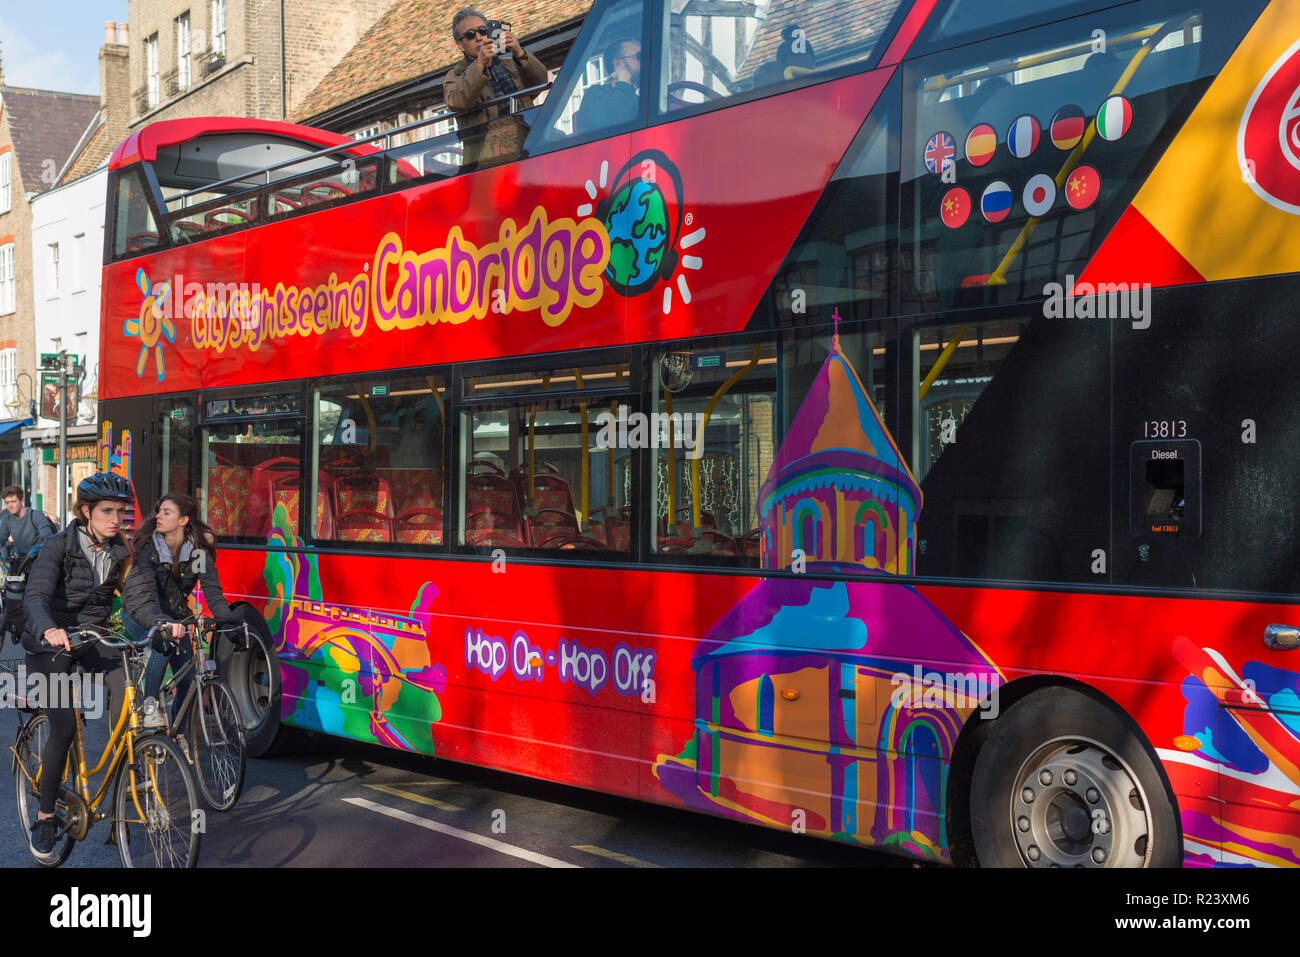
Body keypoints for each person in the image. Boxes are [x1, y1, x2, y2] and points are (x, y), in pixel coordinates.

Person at [22, 473, 185, 854]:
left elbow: (141, 600)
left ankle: (126, 770)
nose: (116, 519)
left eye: (121, 512)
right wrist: (48, 629)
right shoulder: (57, 547)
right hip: (50, 644)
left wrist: (162, 624)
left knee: (125, 690)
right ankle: (46, 816)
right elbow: (36, 597)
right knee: (63, 726)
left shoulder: (122, 554)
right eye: (107, 511)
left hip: (93, 637)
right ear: (85, 512)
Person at [122, 492, 237, 731]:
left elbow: (212, 591)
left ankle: (177, 734)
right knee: (162, 646)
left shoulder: (197, 552)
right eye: (158, 511)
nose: (158, 517)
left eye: (166, 512)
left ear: (183, 520)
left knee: (187, 680)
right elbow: (146, 596)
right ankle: (149, 707)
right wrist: (161, 623)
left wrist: (227, 620)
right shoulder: (147, 547)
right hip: (140, 612)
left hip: (177, 617)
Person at [443, 8, 549, 168]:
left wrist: (519, 53)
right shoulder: (456, 75)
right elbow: (456, 101)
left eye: (483, 30)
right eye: (470, 35)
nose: (479, 37)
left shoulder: (509, 63)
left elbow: (540, 81)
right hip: (490, 156)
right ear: (460, 45)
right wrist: (480, 64)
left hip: (528, 141)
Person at [575, 39, 641, 133]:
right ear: (618, 63)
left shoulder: (638, 99)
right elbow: (616, 124)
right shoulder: (595, 94)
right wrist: (623, 81)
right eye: (639, 56)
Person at [0, 485, 58, 568]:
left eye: (13, 501)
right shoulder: (7, 520)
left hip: (40, 561)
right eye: (7, 502)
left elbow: (48, 538)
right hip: (21, 562)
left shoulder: (36, 515)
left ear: (22, 500)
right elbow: (1, 538)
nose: (10, 505)